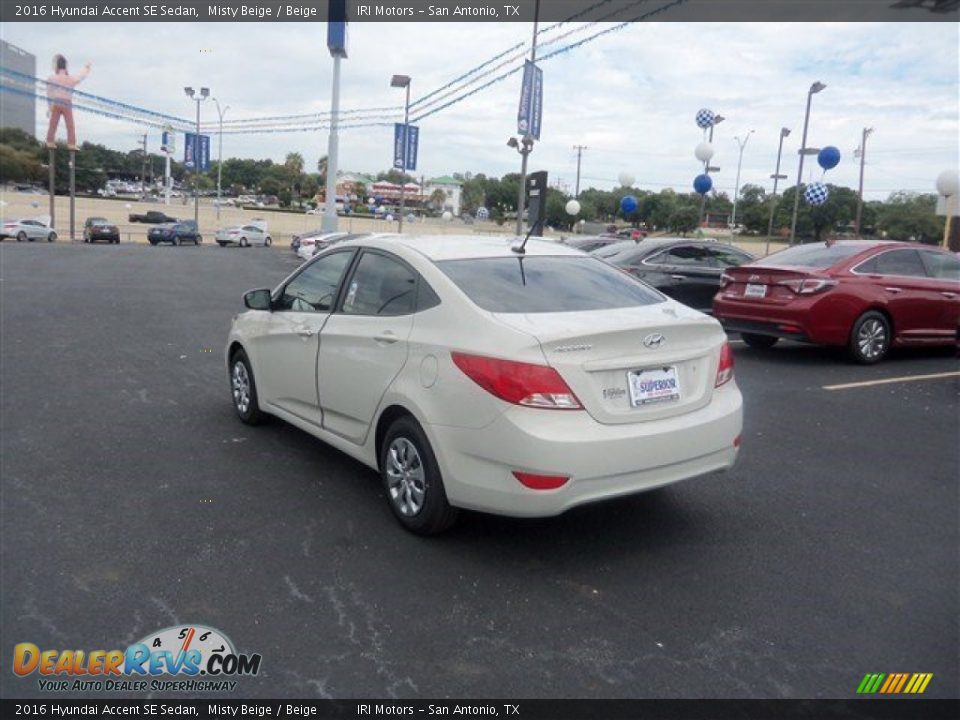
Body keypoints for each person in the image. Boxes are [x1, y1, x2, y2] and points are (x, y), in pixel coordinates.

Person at [45, 55, 91, 151]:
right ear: (65, 66)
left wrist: (50, 106)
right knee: (70, 125)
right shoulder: (70, 78)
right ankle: (71, 144)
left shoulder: (52, 78)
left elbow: (49, 92)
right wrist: (86, 68)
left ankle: (50, 141)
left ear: (56, 66)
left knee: (53, 124)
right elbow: (80, 77)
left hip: (56, 101)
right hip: (67, 102)